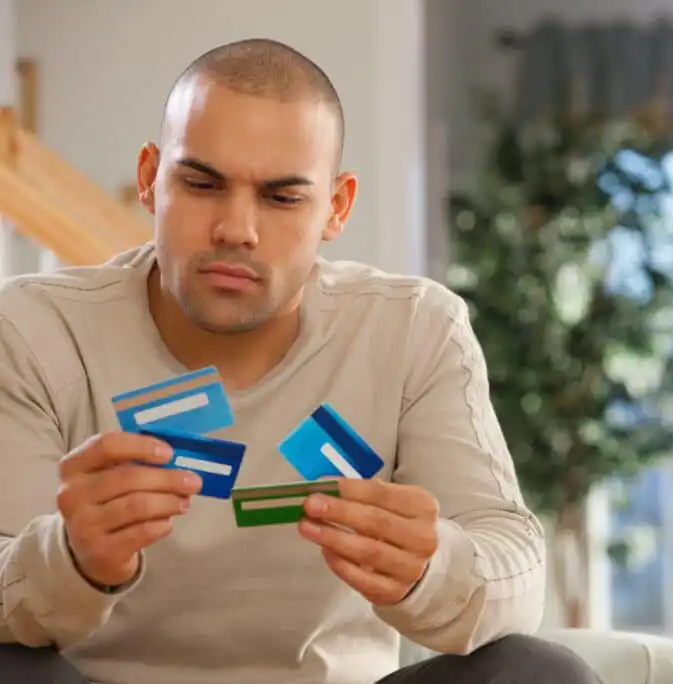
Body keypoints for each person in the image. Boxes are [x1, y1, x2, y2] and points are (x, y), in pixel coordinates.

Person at [0, 38, 598, 684]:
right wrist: (72, 558)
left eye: (281, 198)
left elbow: (515, 566)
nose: (236, 229)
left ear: (336, 208)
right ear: (150, 180)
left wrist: (434, 568)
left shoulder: (413, 329)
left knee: (538, 672)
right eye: (201, 184)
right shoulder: (35, 330)